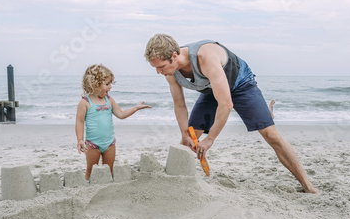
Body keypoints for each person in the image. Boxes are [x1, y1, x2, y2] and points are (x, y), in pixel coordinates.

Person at [144, 34, 318, 193]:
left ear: (175, 56)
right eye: (155, 68)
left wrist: (210, 139)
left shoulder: (206, 58)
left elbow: (226, 104)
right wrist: (186, 133)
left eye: (161, 67)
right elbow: (179, 105)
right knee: (189, 138)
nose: (158, 72)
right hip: (211, 90)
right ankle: (172, 185)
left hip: (240, 84)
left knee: (270, 135)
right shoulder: (170, 73)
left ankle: (308, 186)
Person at [75, 64, 151, 181]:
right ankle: (88, 190)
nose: (110, 87)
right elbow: (79, 121)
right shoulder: (85, 102)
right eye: (107, 84)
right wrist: (80, 139)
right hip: (93, 144)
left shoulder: (109, 100)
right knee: (91, 170)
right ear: (95, 84)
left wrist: (135, 108)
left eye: (111, 83)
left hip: (110, 143)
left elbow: (121, 114)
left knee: (109, 168)